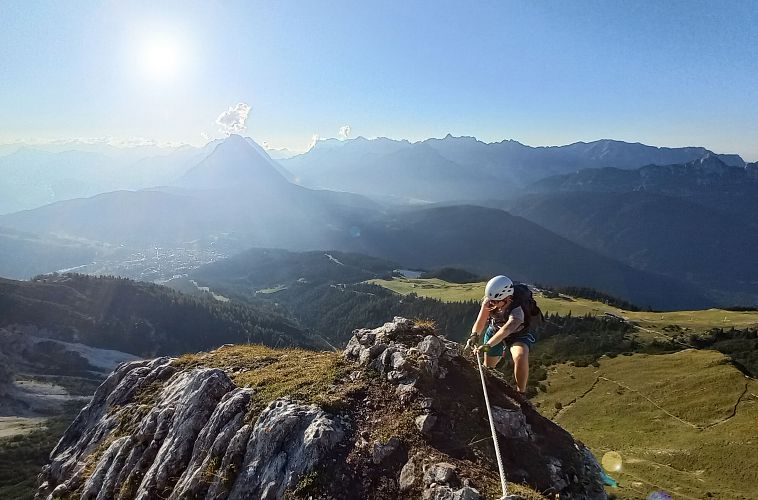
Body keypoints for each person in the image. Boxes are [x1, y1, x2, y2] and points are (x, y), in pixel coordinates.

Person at [467, 275, 537, 394]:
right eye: (491, 300)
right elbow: (481, 320)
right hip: (494, 330)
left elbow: (506, 331)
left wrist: (488, 345)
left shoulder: (517, 311)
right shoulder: (489, 300)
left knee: (520, 356)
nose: (492, 303)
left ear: (507, 298)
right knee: (488, 368)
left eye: (496, 301)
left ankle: (521, 392)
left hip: (517, 335)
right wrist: (474, 335)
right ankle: (488, 389)